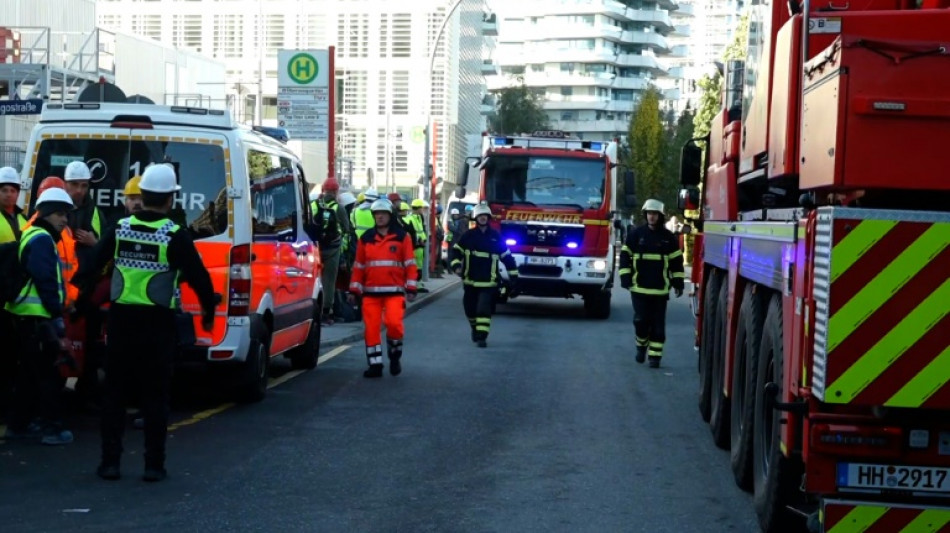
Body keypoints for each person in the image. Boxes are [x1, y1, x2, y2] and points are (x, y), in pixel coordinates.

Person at [79, 163, 217, 482]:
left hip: (121, 322)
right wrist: (209, 311)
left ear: (142, 195)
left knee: (114, 395)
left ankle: (109, 463)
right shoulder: (175, 235)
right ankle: (154, 465)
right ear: (170, 199)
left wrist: (83, 303)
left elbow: (92, 266)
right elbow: (199, 278)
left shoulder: (120, 228)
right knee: (155, 397)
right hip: (158, 326)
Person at [4, 188, 75, 445]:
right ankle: (52, 429)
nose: (64, 220)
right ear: (45, 213)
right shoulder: (42, 238)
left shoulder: (33, 234)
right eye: (59, 214)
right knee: (48, 376)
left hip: (28, 318)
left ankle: (18, 425)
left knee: (29, 375)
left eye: (66, 214)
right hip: (38, 318)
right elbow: (45, 279)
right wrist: (56, 316)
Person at [347, 198, 417, 378]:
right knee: (371, 329)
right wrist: (354, 290)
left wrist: (411, 287)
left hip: (394, 292)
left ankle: (394, 355)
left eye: (383, 214)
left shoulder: (402, 237)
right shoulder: (366, 238)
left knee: (394, 325)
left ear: (390, 215)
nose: (379, 217)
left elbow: (409, 264)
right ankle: (375, 365)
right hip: (370, 294)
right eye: (376, 214)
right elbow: (359, 266)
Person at [619, 199, 685, 368]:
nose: (651, 217)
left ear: (660, 216)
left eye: (655, 214)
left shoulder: (668, 238)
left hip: (660, 291)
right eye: (649, 213)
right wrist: (625, 276)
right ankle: (641, 345)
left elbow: (676, 262)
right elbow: (625, 256)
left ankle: (655, 357)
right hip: (638, 288)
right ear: (645, 215)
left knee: (658, 328)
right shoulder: (636, 234)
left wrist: (678, 282)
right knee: (641, 321)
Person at [449, 203, 518, 348]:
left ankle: (482, 336)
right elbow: (456, 252)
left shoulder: (496, 237)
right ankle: (475, 328)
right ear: (475, 218)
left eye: (485, 216)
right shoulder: (468, 236)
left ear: (489, 218)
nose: (482, 218)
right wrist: (456, 266)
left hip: (489, 282)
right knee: (469, 309)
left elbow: (507, 257)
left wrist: (514, 277)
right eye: (480, 216)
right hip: (470, 280)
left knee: (483, 308)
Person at [310, 177, 351, 326]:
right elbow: (346, 228)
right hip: (333, 249)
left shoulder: (313, 205)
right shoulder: (338, 208)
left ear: (323, 190)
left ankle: (314, 311)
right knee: (329, 281)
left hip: (315, 249)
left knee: (315, 280)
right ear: (336, 191)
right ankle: (326, 313)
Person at [0, 166, 26, 244]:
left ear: (18, 194)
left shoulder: (24, 219)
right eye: (4, 190)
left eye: (13, 191)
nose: (9, 194)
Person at [409, 199, 429, 292]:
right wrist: (420, 241)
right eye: (422, 208)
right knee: (415, 267)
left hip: (420, 246)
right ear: (418, 208)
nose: (423, 210)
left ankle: (418, 284)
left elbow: (420, 231)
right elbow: (412, 233)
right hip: (416, 246)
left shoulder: (419, 217)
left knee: (419, 266)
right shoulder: (411, 218)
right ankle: (415, 285)